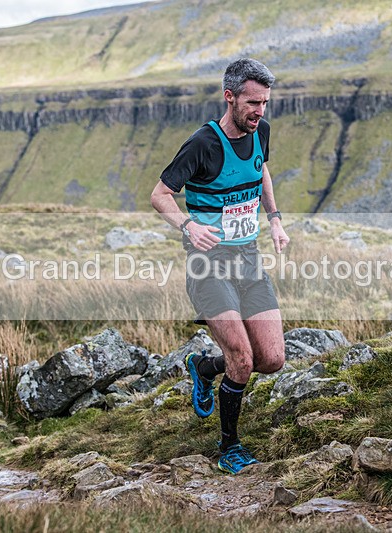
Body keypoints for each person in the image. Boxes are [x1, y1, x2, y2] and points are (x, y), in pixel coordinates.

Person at [150, 58, 290, 475]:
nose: (260, 111)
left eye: (265, 103)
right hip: (208, 265)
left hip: (248, 259)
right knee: (243, 359)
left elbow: (261, 169)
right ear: (229, 97)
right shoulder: (202, 144)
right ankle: (229, 445)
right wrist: (189, 225)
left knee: (272, 359)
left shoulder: (260, 130)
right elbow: (160, 194)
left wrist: (275, 219)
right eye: (252, 102)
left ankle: (204, 366)